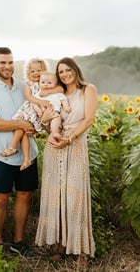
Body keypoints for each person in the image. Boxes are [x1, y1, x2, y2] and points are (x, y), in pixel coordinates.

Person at [35, 57, 98, 265]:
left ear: (75, 70)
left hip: (76, 145)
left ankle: (80, 249)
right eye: (60, 71)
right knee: (56, 196)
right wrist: (44, 122)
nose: (64, 74)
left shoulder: (87, 89)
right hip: (55, 147)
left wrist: (69, 139)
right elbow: (48, 123)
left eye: (67, 70)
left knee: (75, 196)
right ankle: (60, 243)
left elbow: (89, 119)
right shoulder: (56, 94)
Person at [0, 47, 38, 257]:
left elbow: (37, 109)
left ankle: (18, 242)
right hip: (3, 154)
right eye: (2, 63)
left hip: (29, 153)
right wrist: (20, 123)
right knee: (1, 199)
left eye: (10, 62)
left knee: (24, 195)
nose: (7, 66)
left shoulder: (25, 87)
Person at [0, 58, 64, 170]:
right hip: (30, 108)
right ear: (28, 73)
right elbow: (29, 97)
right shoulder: (28, 84)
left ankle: (16, 150)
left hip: (40, 112)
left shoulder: (46, 82)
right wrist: (41, 101)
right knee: (22, 128)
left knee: (25, 131)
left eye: (38, 70)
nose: (36, 73)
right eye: (32, 71)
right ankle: (24, 156)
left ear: (44, 70)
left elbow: (60, 89)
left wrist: (48, 92)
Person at [33, 71, 71, 144]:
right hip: (43, 114)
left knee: (56, 119)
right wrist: (38, 111)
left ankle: (54, 133)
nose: (46, 85)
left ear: (55, 84)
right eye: (43, 82)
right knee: (45, 122)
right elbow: (34, 103)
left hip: (54, 113)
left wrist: (66, 106)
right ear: (39, 83)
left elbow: (63, 99)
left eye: (49, 83)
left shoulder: (57, 93)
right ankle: (52, 134)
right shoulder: (39, 94)